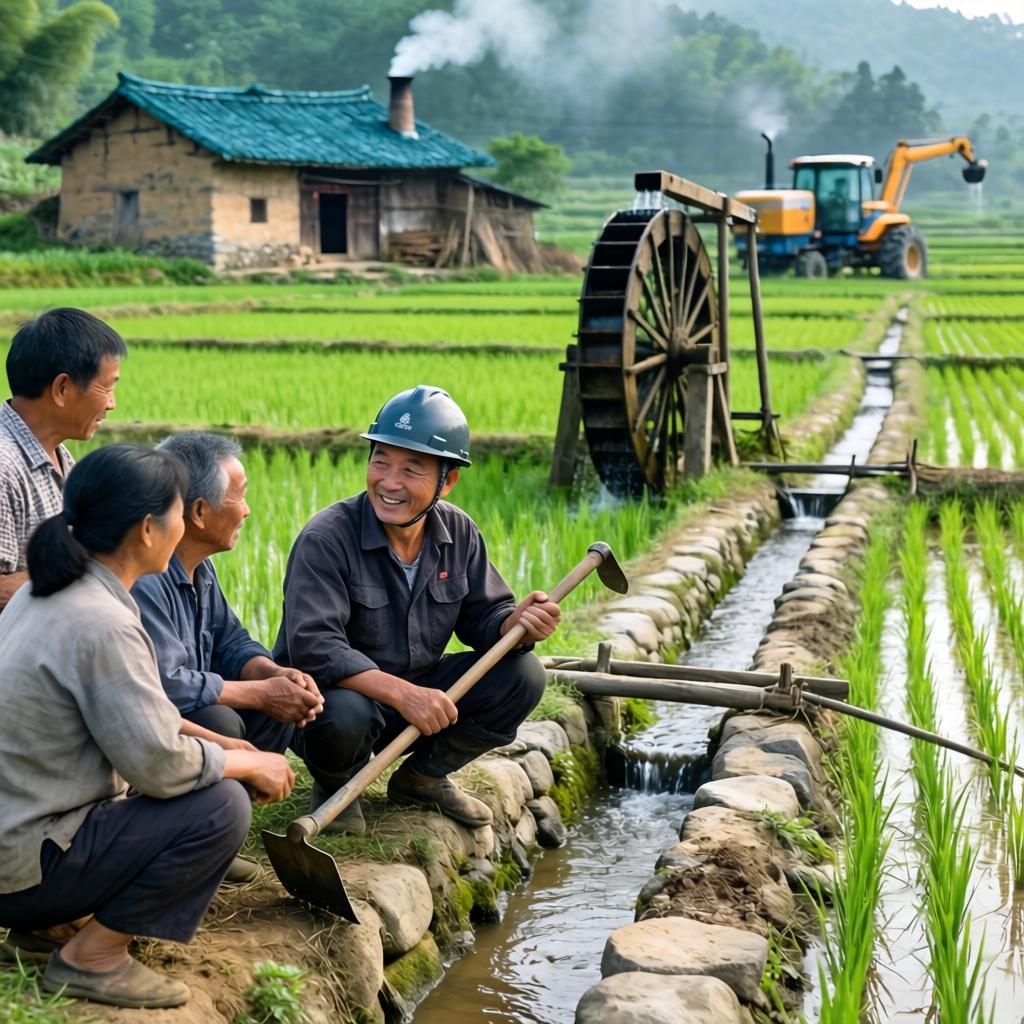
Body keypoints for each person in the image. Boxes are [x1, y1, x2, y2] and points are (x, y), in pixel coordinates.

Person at [0, 444, 294, 1010]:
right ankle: (93, 958)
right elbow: (160, 766)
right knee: (221, 806)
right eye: (179, 512)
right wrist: (248, 761)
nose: (185, 524)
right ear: (146, 529)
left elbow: (139, 718)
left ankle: (48, 928)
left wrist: (222, 741)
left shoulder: (53, 590)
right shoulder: (102, 620)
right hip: (22, 867)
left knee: (216, 759)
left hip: (16, 846)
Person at [273, 385, 558, 835]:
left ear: (447, 480)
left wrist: (517, 624)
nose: (389, 481)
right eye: (380, 461)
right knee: (344, 711)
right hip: (338, 706)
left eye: (411, 468)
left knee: (522, 675)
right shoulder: (326, 539)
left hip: (418, 696)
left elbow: (486, 621)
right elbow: (314, 648)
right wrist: (403, 695)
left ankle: (422, 777)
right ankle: (335, 785)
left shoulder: (458, 532)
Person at [132, 432, 323, 754]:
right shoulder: (144, 578)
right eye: (240, 496)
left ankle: (245, 787)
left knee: (280, 706)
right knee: (219, 721)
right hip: (146, 720)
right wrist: (260, 693)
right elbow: (166, 683)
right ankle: (207, 796)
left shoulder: (201, 568)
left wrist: (273, 674)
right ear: (200, 512)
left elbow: (231, 641)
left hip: (180, 708)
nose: (247, 510)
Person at [0, 308, 125, 611]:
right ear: (62, 389)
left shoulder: (58, 454)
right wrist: (89, 584)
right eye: (106, 388)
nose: (112, 404)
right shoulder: (4, 467)